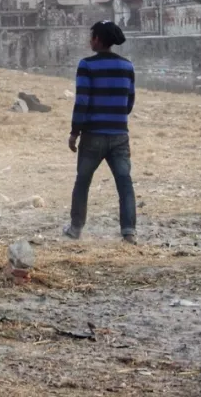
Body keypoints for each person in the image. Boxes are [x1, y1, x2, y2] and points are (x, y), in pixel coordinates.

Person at [65, 21, 137, 245]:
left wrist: (75, 132)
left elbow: (83, 100)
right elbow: (129, 101)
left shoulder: (86, 65)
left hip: (93, 135)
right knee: (124, 183)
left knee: (83, 181)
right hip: (119, 135)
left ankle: (76, 228)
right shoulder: (127, 66)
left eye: (92, 36)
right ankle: (129, 232)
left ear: (97, 40)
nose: (90, 40)